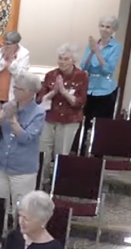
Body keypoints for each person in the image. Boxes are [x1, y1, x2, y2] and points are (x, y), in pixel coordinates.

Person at [0, 72, 45, 214]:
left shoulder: (38, 113)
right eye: (15, 87)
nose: (14, 91)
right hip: (1, 165)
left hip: (23, 170)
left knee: (21, 210)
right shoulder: (7, 106)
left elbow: (26, 138)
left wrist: (12, 119)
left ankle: (17, 235)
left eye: (19, 89)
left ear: (31, 93)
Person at [37, 43, 88, 179]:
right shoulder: (51, 75)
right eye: (60, 58)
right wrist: (54, 92)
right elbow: (40, 99)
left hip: (69, 120)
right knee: (43, 152)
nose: (62, 62)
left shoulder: (81, 76)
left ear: (73, 60)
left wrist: (64, 92)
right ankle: (42, 180)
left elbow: (79, 102)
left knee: (61, 154)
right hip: (49, 118)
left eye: (66, 59)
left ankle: (57, 183)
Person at [81, 16, 122, 143]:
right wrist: (92, 52)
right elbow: (84, 66)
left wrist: (97, 52)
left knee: (100, 125)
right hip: (89, 88)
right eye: (102, 26)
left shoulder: (116, 47)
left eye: (108, 27)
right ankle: (81, 153)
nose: (104, 29)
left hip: (105, 90)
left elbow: (108, 69)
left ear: (113, 30)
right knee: (85, 121)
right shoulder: (92, 44)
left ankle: (97, 155)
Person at [0, 31, 30, 114]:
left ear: (16, 44)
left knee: (10, 122)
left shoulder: (24, 54)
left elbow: (21, 75)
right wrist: (3, 61)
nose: (5, 46)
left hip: (13, 96)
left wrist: (12, 62)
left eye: (8, 44)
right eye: (4, 43)